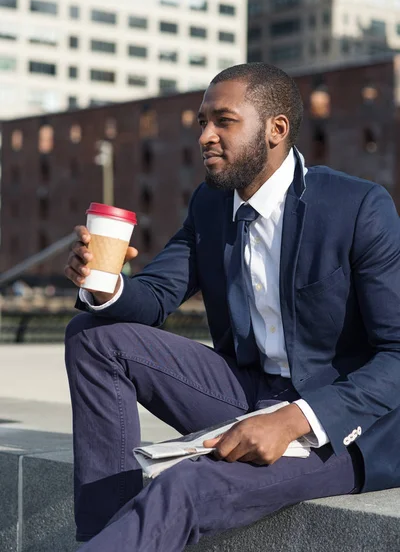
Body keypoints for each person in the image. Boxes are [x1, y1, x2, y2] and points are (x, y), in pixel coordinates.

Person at [64, 63, 400, 552]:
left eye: (224, 121)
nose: (205, 136)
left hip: (343, 424)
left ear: (275, 129)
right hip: (245, 390)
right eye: (202, 122)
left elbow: (396, 353)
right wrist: (104, 285)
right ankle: (102, 538)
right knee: (91, 336)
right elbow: (156, 295)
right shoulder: (210, 205)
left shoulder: (358, 206)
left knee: (187, 485)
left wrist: (294, 419)